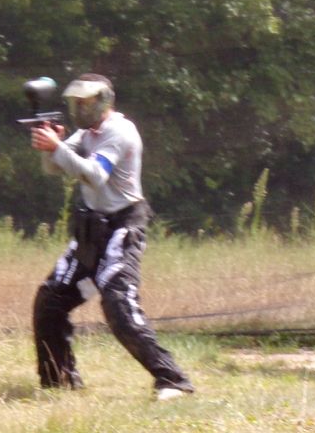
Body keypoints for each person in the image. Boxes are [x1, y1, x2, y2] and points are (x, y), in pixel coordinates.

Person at [30, 73, 196, 401]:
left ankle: (173, 380)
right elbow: (54, 168)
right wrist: (50, 147)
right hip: (91, 230)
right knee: (50, 300)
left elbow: (94, 175)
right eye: (76, 103)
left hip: (123, 228)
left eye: (85, 102)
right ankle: (59, 382)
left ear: (104, 101)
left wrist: (57, 147)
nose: (79, 109)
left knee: (118, 303)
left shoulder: (119, 132)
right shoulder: (87, 133)